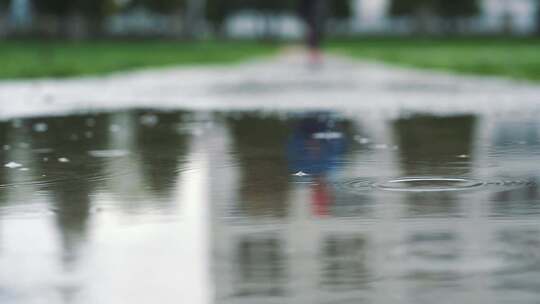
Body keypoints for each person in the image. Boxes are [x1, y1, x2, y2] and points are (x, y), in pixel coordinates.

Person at [298, 0, 326, 64]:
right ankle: (313, 52)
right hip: (310, 11)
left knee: (315, 30)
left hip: (315, 12)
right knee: (312, 30)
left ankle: (314, 52)